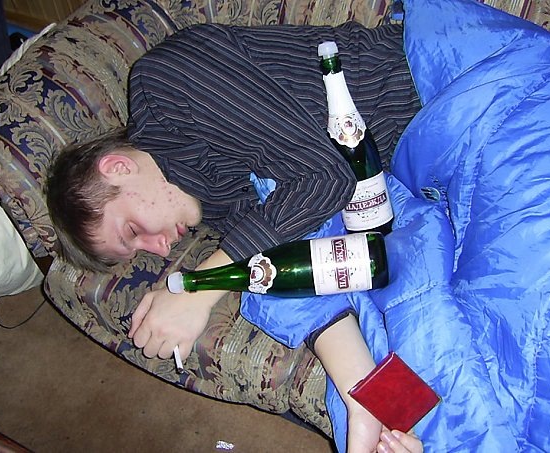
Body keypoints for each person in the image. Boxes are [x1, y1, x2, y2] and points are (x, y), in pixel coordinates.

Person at [46, 22, 422, 453]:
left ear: (118, 168)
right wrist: (365, 403)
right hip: (413, 178)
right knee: (266, 281)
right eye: (140, 251)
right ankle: (376, 410)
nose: (162, 248)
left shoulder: (165, 84)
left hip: (426, 86)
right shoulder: (213, 202)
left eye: (133, 231)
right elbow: (299, 274)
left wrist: (200, 288)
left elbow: (326, 174)